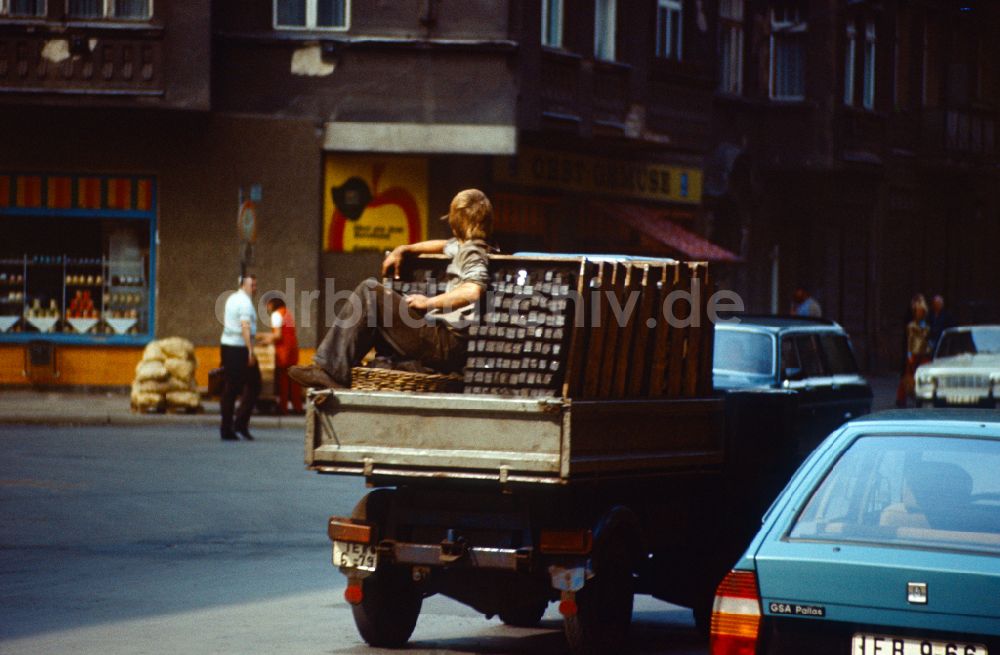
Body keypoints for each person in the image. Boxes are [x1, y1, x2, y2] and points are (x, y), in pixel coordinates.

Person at [289, 188, 492, 389]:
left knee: (370, 292)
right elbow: (443, 245)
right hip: (446, 343)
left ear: (456, 220)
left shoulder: (472, 253)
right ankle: (339, 368)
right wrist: (404, 249)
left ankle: (330, 371)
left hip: (446, 344)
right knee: (378, 307)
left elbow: (473, 290)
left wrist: (428, 302)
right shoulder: (470, 246)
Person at [219, 273, 261, 440]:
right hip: (238, 349)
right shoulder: (244, 303)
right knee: (244, 386)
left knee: (237, 387)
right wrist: (250, 351)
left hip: (229, 346)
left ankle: (233, 425)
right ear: (243, 285)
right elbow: (245, 327)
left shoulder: (232, 298)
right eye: (252, 285)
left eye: (256, 285)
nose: (255, 289)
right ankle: (233, 426)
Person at [257, 297, 302, 415]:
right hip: (292, 350)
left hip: (283, 352)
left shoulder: (276, 315)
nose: (267, 308)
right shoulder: (287, 314)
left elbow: (277, 335)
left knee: (283, 381)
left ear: (272, 304)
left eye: (268, 305)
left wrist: (263, 339)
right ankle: (298, 407)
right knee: (293, 380)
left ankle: (283, 408)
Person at [896, 293, 931, 408]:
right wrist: (909, 354)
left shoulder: (925, 325)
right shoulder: (911, 325)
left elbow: (926, 338)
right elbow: (909, 340)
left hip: (923, 352)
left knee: (924, 374)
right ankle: (901, 399)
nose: (920, 313)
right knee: (907, 376)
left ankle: (922, 396)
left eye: (922, 312)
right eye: (918, 311)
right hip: (913, 352)